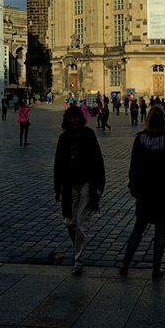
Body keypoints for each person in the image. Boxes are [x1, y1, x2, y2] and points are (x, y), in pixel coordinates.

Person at [118, 106, 165, 280]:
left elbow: (134, 167)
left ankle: (125, 262)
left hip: (145, 193)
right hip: (162, 194)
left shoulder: (139, 140)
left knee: (138, 229)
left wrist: (134, 187)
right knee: (160, 231)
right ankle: (156, 267)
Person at [53, 105, 105, 276]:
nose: (73, 120)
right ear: (67, 119)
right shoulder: (63, 138)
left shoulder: (88, 134)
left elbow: (97, 158)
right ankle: (78, 248)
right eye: (70, 117)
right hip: (69, 184)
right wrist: (57, 186)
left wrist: (99, 184)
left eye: (76, 117)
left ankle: (78, 261)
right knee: (70, 222)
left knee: (81, 225)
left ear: (80, 119)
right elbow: (58, 163)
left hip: (87, 184)